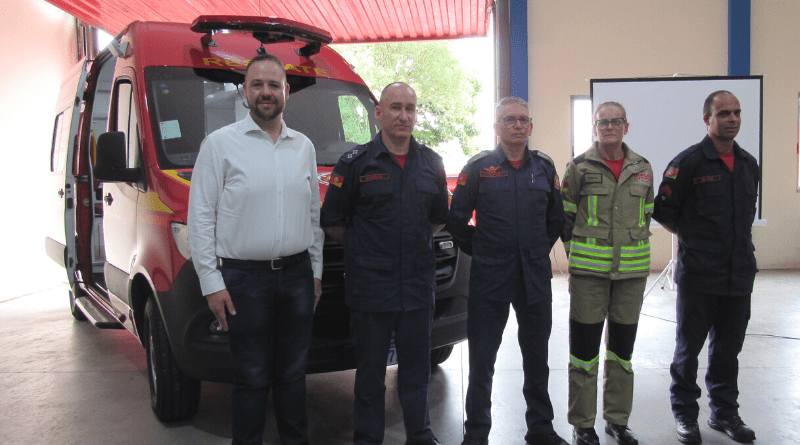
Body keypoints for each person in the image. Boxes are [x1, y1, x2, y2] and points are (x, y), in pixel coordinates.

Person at [187, 53, 324, 445]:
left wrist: (315, 274)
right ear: (244, 92)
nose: (266, 92)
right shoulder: (219, 145)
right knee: (251, 377)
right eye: (258, 85)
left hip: (297, 276)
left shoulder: (304, 147)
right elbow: (201, 217)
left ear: (287, 92)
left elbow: (312, 215)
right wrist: (211, 283)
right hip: (243, 280)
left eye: (274, 85)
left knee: (294, 374)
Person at [320, 82, 446, 445]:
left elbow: (437, 219)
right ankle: (368, 438)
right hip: (371, 290)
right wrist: (367, 249)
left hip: (417, 289)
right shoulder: (355, 163)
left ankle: (420, 436)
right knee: (371, 375)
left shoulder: (432, 163)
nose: (403, 115)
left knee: (417, 372)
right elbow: (333, 221)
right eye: (395, 107)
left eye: (410, 108)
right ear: (378, 113)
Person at [447, 97, 567, 445]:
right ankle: (477, 433)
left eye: (523, 120)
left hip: (534, 278)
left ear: (531, 126)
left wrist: (535, 250)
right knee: (482, 359)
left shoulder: (544, 168)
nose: (517, 125)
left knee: (537, 358)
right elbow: (456, 219)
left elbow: (555, 219)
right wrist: (482, 249)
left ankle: (541, 428)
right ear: (496, 127)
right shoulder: (479, 168)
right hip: (490, 277)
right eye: (509, 119)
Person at [653, 90, 759, 444]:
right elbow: (665, 212)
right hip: (699, 275)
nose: (732, 119)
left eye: (737, 113)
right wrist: (695, 240)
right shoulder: (688, 163)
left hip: (738, 274)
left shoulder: (748, 164)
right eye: (724, 113)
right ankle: (685, 415)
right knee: (688, 351)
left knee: (728, 350)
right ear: (707, 119)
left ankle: (724, 412)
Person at [560, 102, 653, 445]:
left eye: (616, 121)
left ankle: (617, 421)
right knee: (583, 354)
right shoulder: (578, 167)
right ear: (594, 127)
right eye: (603, 122)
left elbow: (647, 213)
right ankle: (583, 424)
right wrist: (578, 257)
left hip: (631, 276)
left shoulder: (643, 169)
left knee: (621, 353)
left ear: (626, 126)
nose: (610, 127)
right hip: (589, 277)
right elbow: (565, 218)